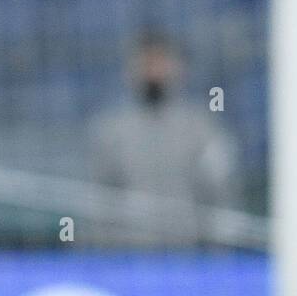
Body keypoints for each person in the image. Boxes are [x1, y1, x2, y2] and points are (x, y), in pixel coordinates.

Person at [88, 32, 240, 246]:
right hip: (129, 256)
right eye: (145, 63)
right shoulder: (111, 130)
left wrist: (217, 254)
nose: (153, 72)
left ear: (178, 68)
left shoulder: (202, 129)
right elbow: (100, 202)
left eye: (160, 62)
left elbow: (220, 196)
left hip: (189, 256)